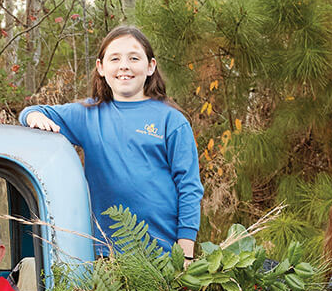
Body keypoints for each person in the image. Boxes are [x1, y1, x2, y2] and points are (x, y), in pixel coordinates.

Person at [19, 24, 204, 258]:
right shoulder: (87, 115)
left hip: (163, 252)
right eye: (115, 58)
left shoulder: (172, 121)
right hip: (106, 253)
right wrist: (33, 116)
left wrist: (185, 253)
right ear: (101, 67)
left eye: (134, 58)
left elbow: (189, 187)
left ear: (150, 66)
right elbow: (33, 111)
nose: (124, 66)